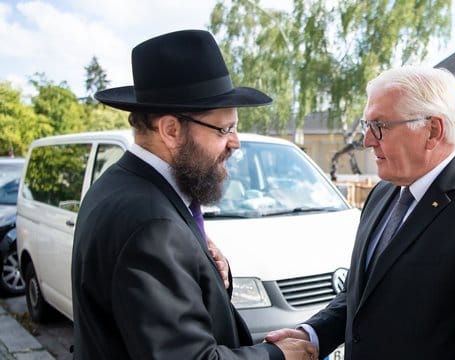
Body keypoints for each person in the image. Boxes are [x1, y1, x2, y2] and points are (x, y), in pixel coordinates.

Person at [71, 30, 317, 360]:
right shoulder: (152, 226)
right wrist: (279, 356)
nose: (236, 142)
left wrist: (212, 276)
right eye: (224, 129)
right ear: (171, 130)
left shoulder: (121, 184)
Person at [266, 66, 455, 359]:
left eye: (380, 125)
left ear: (432, 131)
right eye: (366, 125)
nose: (368, 140)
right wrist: (313, 334)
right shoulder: (383, 193)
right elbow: (364, 295)